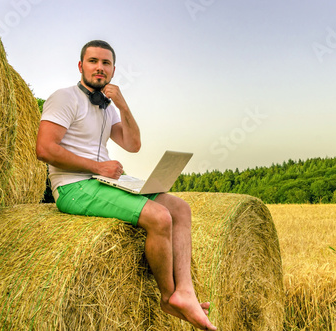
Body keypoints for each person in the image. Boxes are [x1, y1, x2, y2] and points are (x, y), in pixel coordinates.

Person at [36, 40, 217, 331]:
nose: (99, 68)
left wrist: (122, 104)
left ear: (113, 70)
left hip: (103, 180)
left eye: (105, 63)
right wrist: (97, 167)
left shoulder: (109, 108)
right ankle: (168, 297)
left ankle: (186, 290)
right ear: (81, 66)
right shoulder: (64, 98)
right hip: (74, 186)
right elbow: (44, 149)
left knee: (180, 209)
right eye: (93, 61)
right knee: (159, 217)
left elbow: (133, 144)